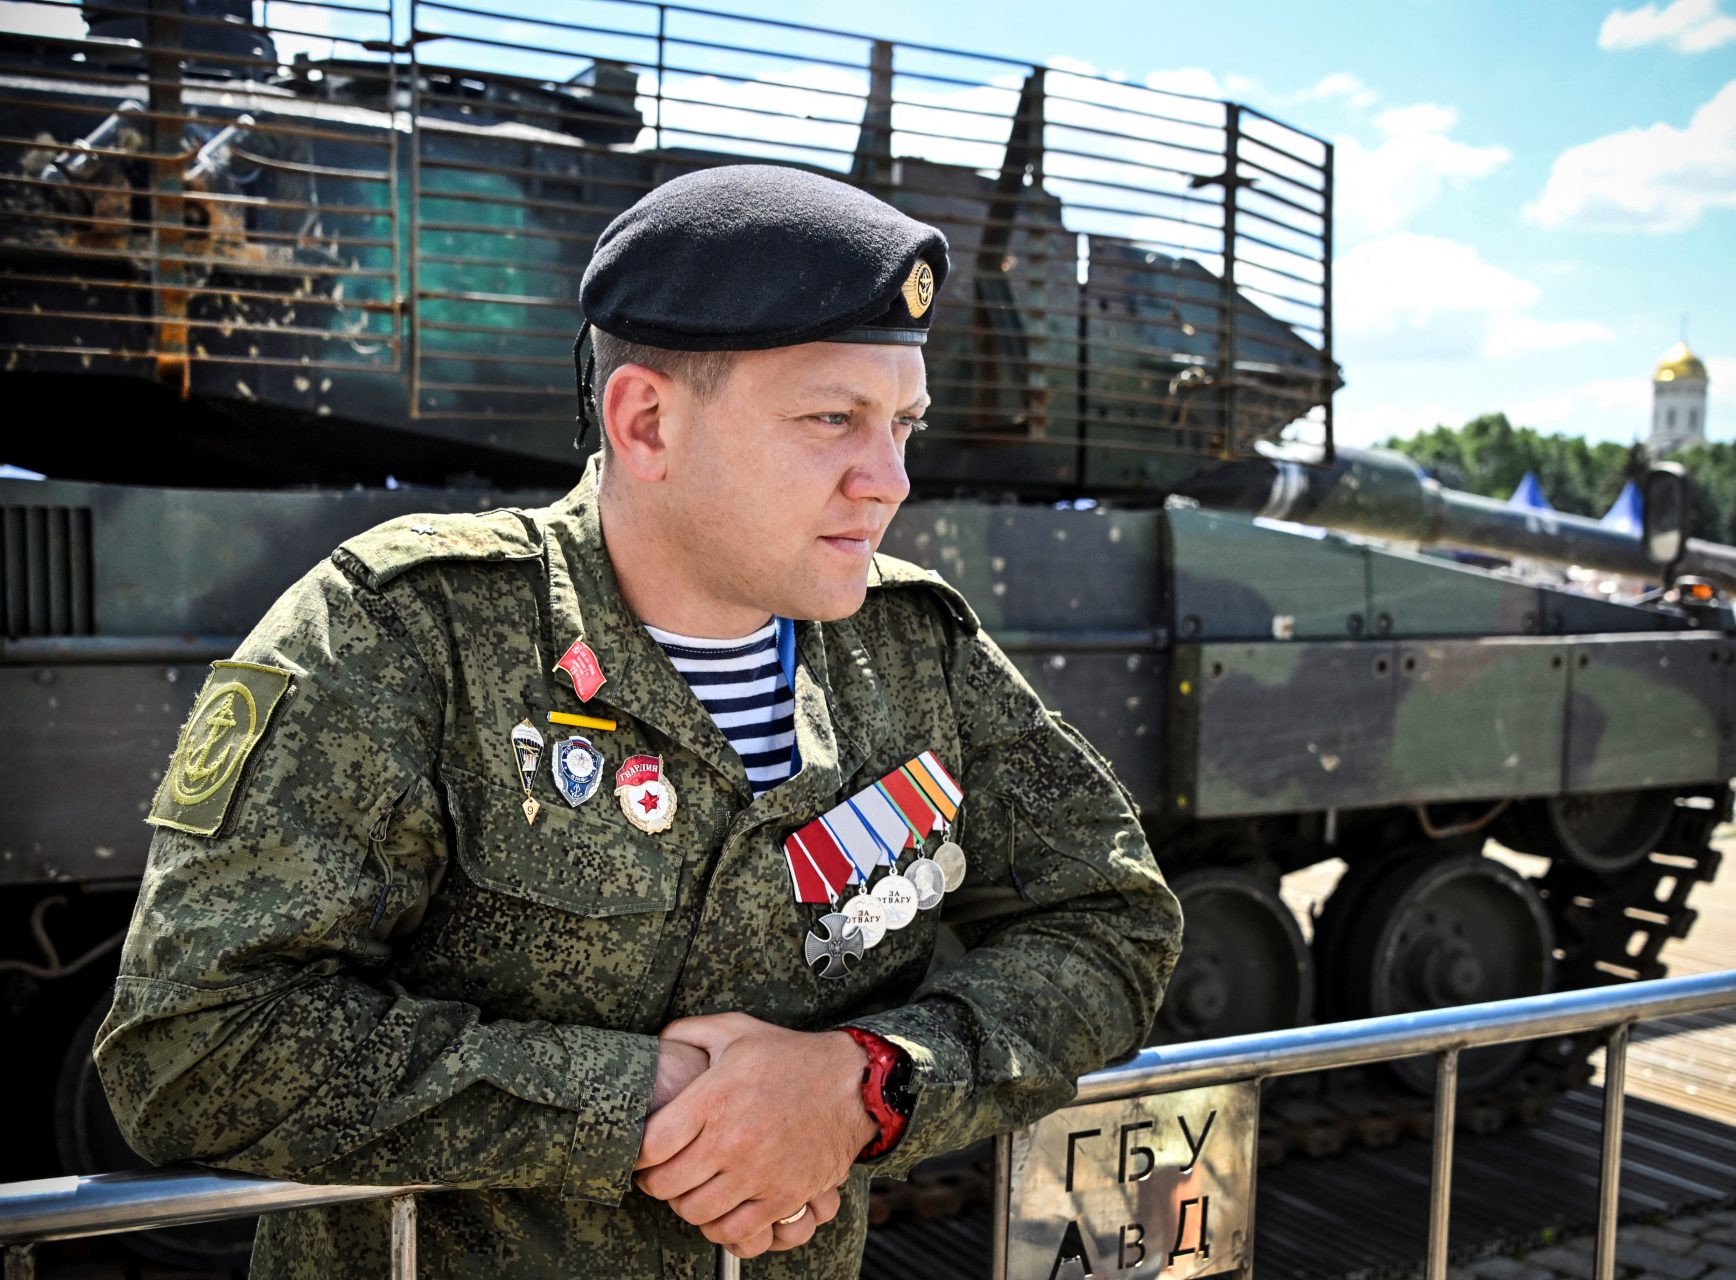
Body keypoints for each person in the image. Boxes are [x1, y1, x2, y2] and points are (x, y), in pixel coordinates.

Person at [94, 165, 1182, 1279]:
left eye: (904, 422)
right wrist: (652, 1102)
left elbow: (1114, 923)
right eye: (832, 419)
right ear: (648, 420)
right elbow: (194, 1046)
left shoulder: (915, 648)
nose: (888, 477)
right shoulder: (405, 634)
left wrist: (874, 1080)